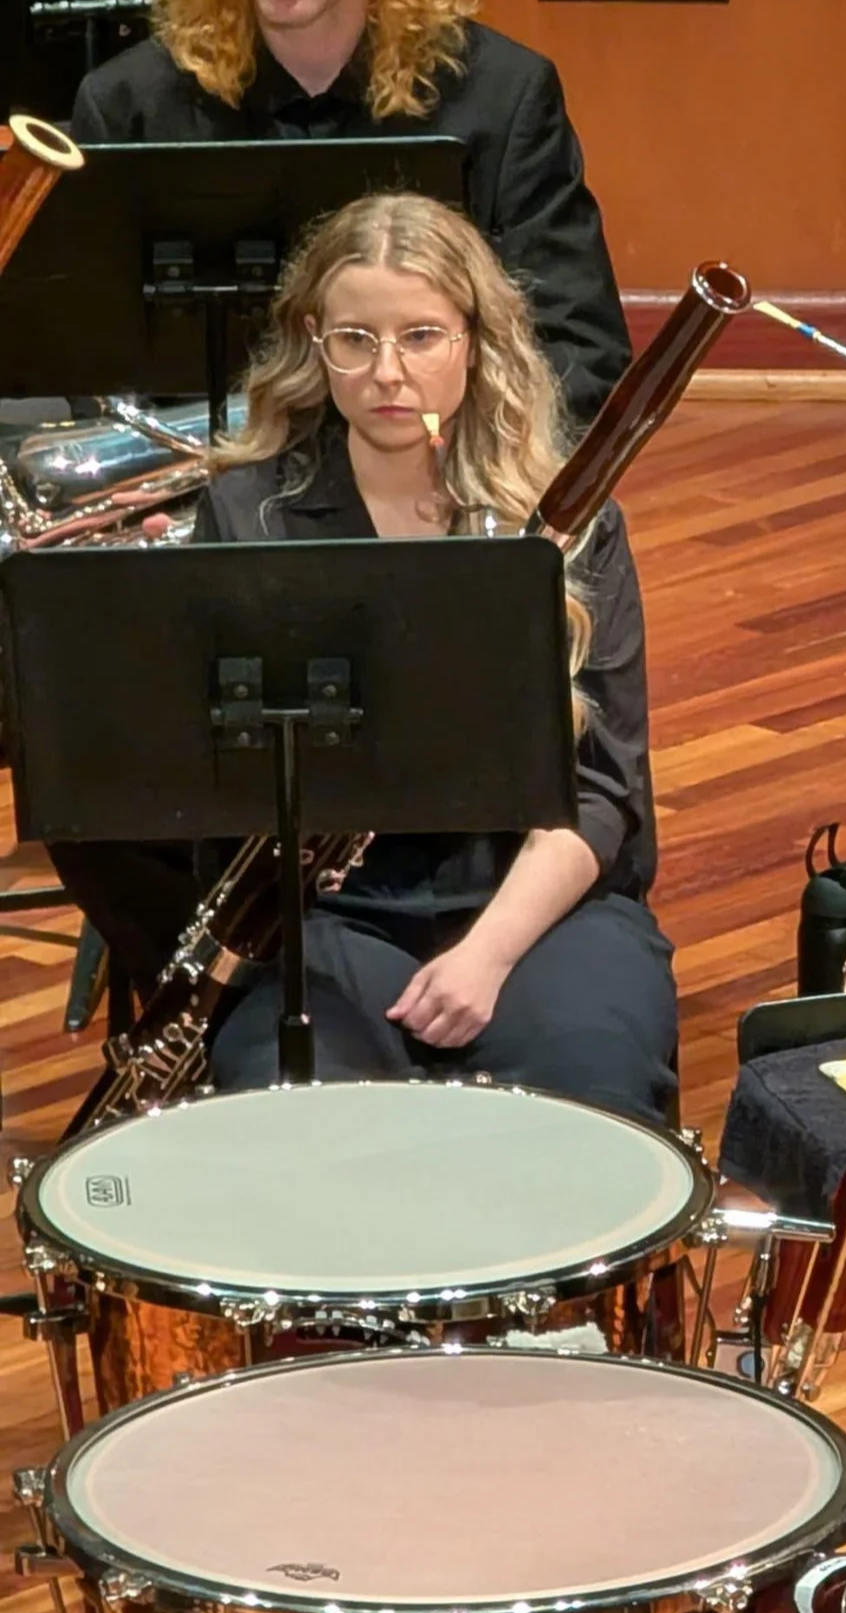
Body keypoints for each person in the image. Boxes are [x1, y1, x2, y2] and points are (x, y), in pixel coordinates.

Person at [189, 189, 674, 1126]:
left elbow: (606, 791)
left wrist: (488, 954)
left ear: (474, 342)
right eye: (355, 340)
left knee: (585, 1103)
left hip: (538, 902)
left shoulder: (567, 521)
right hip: (327, 913)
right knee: (295, 1123)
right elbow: (218, 784)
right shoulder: (251, 517)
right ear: (312, 343)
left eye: (420, 336)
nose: (387, 373)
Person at [72, 0, 629, 426]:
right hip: (203, 497)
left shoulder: (503, 96)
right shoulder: (129, 105)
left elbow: (580, 351)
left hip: (439, 488)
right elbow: (87, 361)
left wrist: (449, 451)